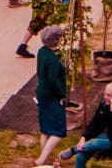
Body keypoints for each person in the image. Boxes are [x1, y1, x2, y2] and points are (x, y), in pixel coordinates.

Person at [57, 82, 112, 167]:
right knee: (80, 156)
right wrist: (84, 137)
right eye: (105, 94)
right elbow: (95, 123)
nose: (105, 97)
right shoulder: (105, 103)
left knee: (94, 143)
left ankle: (74, 150)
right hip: (109, 135)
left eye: (108, 95)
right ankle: (77, 151)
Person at [32, 25, 71, 166]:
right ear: (57, 40)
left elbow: (42, 71)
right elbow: (53, 81)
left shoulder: (42, 52)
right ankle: (41, 159)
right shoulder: (53, 61)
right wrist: (62, 95)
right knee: (58, 131)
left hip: (41, 93)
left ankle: (43, 160)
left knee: (46, 129)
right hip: (52, 96)